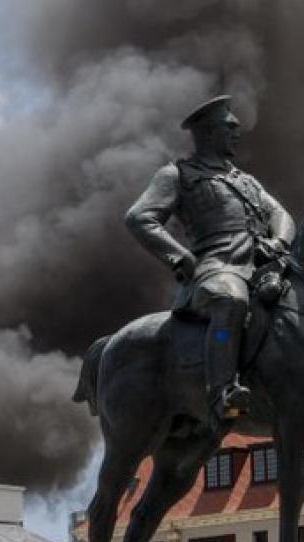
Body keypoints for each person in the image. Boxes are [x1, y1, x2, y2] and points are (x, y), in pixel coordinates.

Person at [124, 95, 295, 420]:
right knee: (230, 303)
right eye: (228, 127)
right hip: (216, 270)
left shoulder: (245, 181)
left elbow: (281, 215)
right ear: (207, 133)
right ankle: (222, 392)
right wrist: (180, 258)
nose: (237, 132)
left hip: (263, 266)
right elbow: (139, 218)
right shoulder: (178, 175)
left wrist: (279, 242)